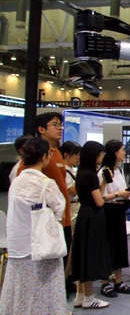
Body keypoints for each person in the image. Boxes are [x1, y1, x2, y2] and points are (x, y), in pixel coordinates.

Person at [0, 137, 67, 314]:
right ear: (45, 157)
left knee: (20, 291)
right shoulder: (46, 184)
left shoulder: (16, 181)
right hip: (42, 248)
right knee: (44, 292)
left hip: (18, 247)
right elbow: (60, 209)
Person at [17, 112, 74, 293]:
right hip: (45, 222)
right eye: (55, 124)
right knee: (45, 269)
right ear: (41, 129)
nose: (59, 128)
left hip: (62, 218)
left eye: (60, 125)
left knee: (60, 263)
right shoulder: (34, 155)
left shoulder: (56, 152)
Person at [71, 141, 111, 309]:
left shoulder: (81, 173)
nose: (102, 157)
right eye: (101, 154)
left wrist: (104, 183)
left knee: (82, 254)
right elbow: (99, 201)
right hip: (92, 217)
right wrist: (113, 192)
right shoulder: (89, 174)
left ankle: (80, 296)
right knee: (89, 256)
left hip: (84, 215)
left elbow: (95, 195)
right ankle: (88, 298)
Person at [98, 139, 130, 297]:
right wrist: (119, 194)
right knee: (108, 246)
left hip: (120, 210)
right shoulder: (106, 171)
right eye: (121, 149)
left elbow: (118, 190)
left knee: (120, 246)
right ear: (114, 152)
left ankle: (119, 281)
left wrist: (125, 193)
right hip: (109, 211)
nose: (124, 152)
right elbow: (102, 196)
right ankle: (105, 283)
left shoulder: (118, 170)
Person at [61, 141, 81, 233]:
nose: (78, 158)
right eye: (75, 155)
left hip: (79, 205)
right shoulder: (63, 171)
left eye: (79, 155)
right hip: (71, 206)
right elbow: (72, 191)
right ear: (66, 154)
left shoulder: (75, 170)